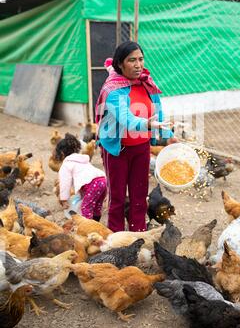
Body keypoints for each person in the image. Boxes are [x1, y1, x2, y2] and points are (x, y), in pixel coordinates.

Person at [95, 41, 177, 232]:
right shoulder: (113, 89)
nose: (138, 64)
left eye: (140, 59)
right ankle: (115, 236)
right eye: (132, 60)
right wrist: (147, 124)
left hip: (141, 147)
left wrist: (168, 136)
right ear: (120, 64)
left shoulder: (146, 83)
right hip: (118, 149)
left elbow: (158, 112)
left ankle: (138, 233)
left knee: (140, 196)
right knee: (117, 196)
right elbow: (126, 118)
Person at [57, 133, 107, 220]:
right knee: (97, 206)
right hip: (103, 180)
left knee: (85, 208)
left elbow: (65, 183)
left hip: (93, 184)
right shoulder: (82, 159)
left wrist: (64, 199)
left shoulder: (67, 164)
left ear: (61, 153)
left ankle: (87, 228)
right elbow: (84, 177)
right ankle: (96, 225)